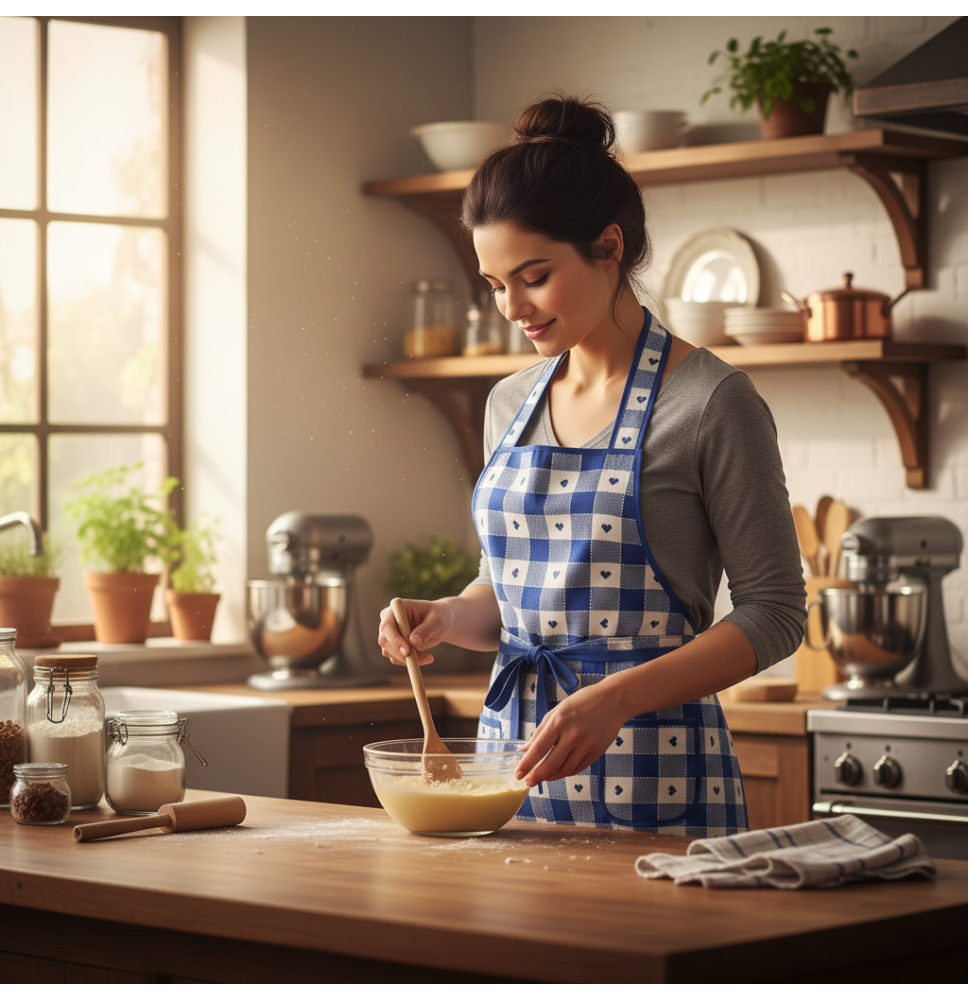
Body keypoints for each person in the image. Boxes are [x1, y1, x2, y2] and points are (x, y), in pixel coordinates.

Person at [378, 96, 806, 836]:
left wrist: (617, 698)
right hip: (507, 772)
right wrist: (448, 617)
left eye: (533, 276)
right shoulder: (510, 400)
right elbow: (509, 594)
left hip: (658, 778)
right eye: (494, 284)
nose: (512, 306)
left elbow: (775, 613)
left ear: (608, 247)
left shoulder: (710, 402)